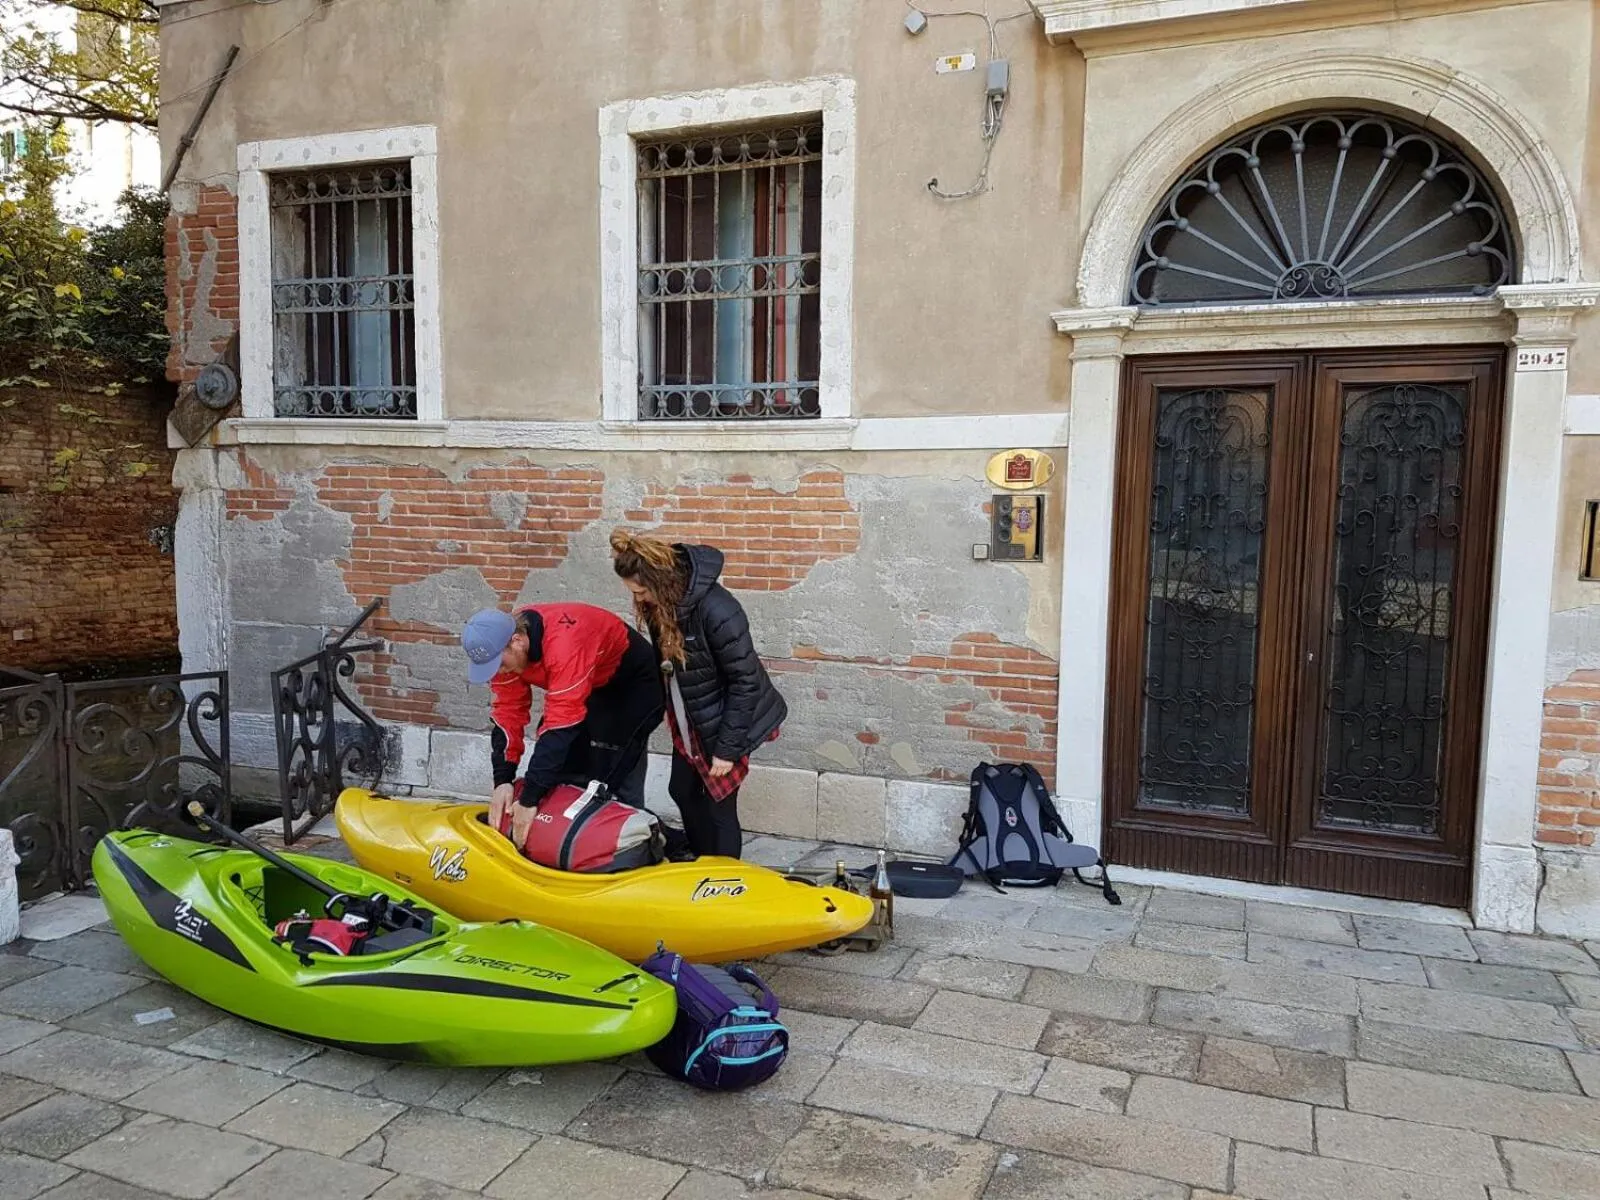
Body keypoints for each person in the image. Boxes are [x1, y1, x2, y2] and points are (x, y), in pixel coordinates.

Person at [608, 530, 787, 858]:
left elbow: (744, 682)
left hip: (727, 719)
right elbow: (666, 662)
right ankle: (702, 861)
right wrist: (668, 705)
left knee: (719, 805)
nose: (640, 599)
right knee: (682, 789)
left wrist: (726, 751)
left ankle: (725, 881)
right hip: (691, 714)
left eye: (642, 590)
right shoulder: (660, 605)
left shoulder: (718, 610)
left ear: (660, 580)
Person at [460, 603, 663, 848]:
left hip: (633, 684)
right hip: (588, 682)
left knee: (610, 775)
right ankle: (565, 842)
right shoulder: (502, 652)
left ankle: (638, 842)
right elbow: (508, 714)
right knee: (564, 772)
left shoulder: (564, 644)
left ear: (517, 641)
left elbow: (559, 726)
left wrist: (528, 800)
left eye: (499, 665)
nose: (498, 672)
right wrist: (502, 780)